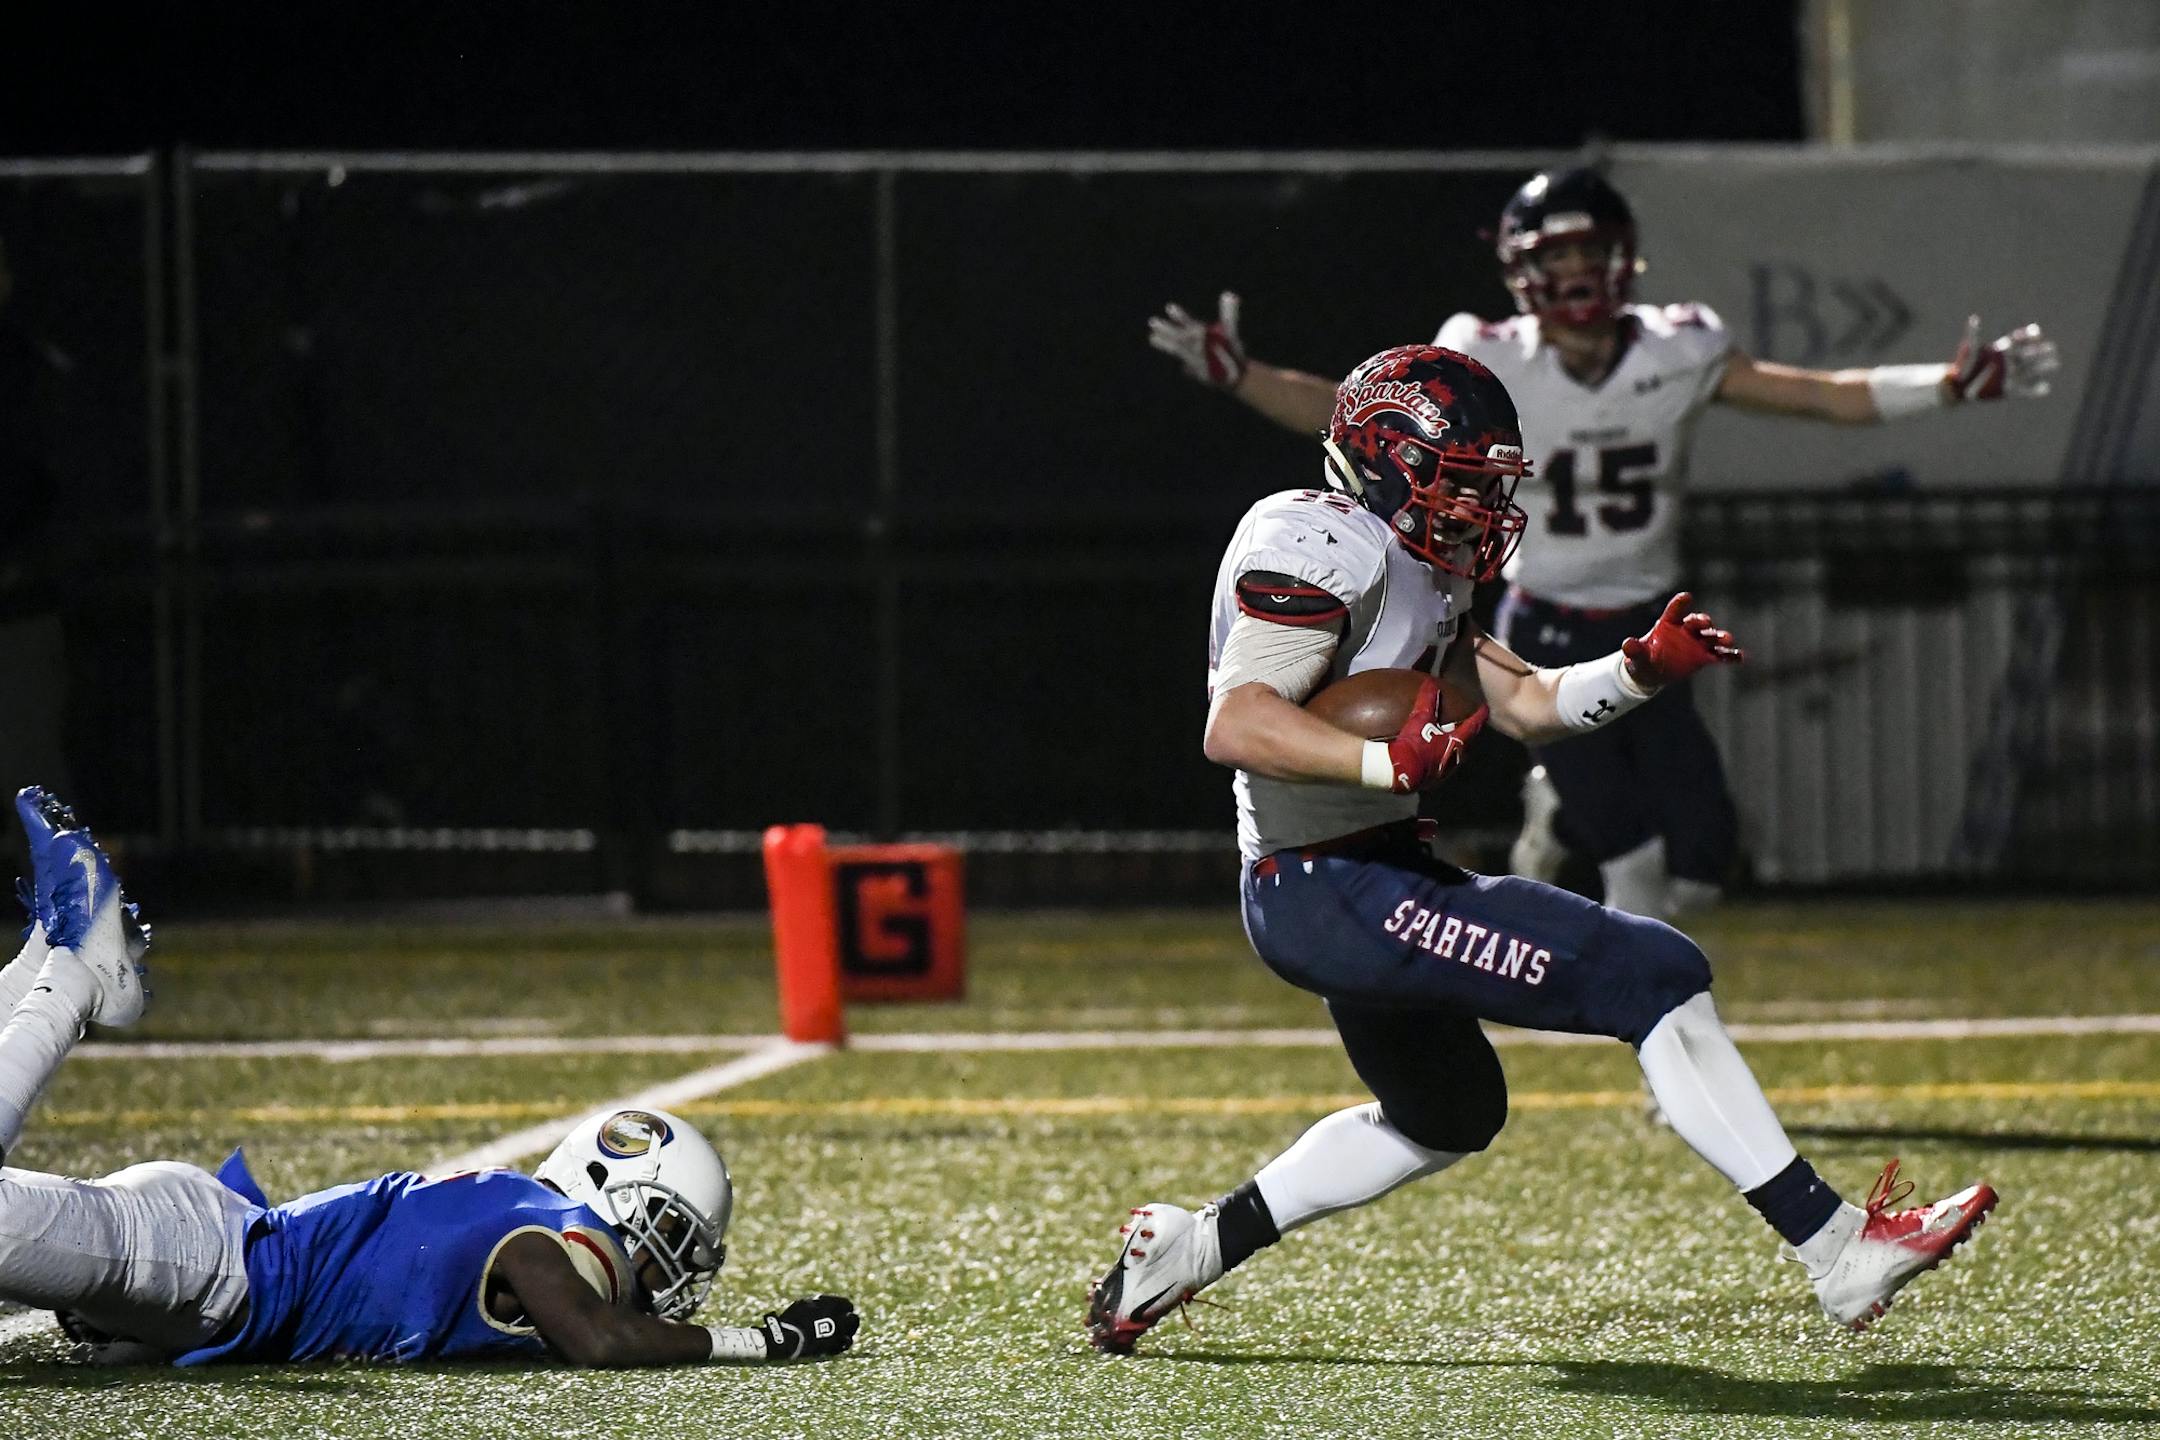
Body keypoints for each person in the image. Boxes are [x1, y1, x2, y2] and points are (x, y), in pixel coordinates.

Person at [1085, 346, 1996, 1353]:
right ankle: (1837, 1247)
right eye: (1462, 482)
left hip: (1363, 872)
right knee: (1651, 970)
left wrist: (1641, 668)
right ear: (1388, 459)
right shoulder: (1316, 538)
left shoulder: (1419, 559)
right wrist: (1384, 763)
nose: (1481, 508)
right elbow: (1239, 724)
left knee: (1447, 1110)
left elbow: (1522, 700)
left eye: (1489, 487)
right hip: (1326, 882)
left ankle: (1189, 1249)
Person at [1148, 167, 2060, 920]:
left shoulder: (1681, 348)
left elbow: (1819, 394)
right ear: (1517, 268)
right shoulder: (1485, 354)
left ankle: (1566, 827)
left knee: (1702, 864)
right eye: (1558, 254)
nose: (1578, 273)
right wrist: (1245, 377)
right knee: (1636, 863)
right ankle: (1656, 1021)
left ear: (1627, 260)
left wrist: (1945, 386)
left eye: (1593, 251)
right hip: (1541, 620)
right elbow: (1355, 409)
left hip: (1644, 613)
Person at [0, 786, 860, 1368]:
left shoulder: (516, 1207)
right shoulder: (537, 1243)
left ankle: (44, 950)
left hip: (201, 1248)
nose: (676, 1265)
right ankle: (76, 967)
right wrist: (762, 1341)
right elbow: (594, 1341)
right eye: (674, 1232)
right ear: (627, 1199)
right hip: (203, 1262)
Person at [0, 236, 71, 860]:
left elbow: (40, 485)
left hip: (18, 599)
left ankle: (66, 927)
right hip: (21, 597)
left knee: (28, 770)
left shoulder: (24, 369)